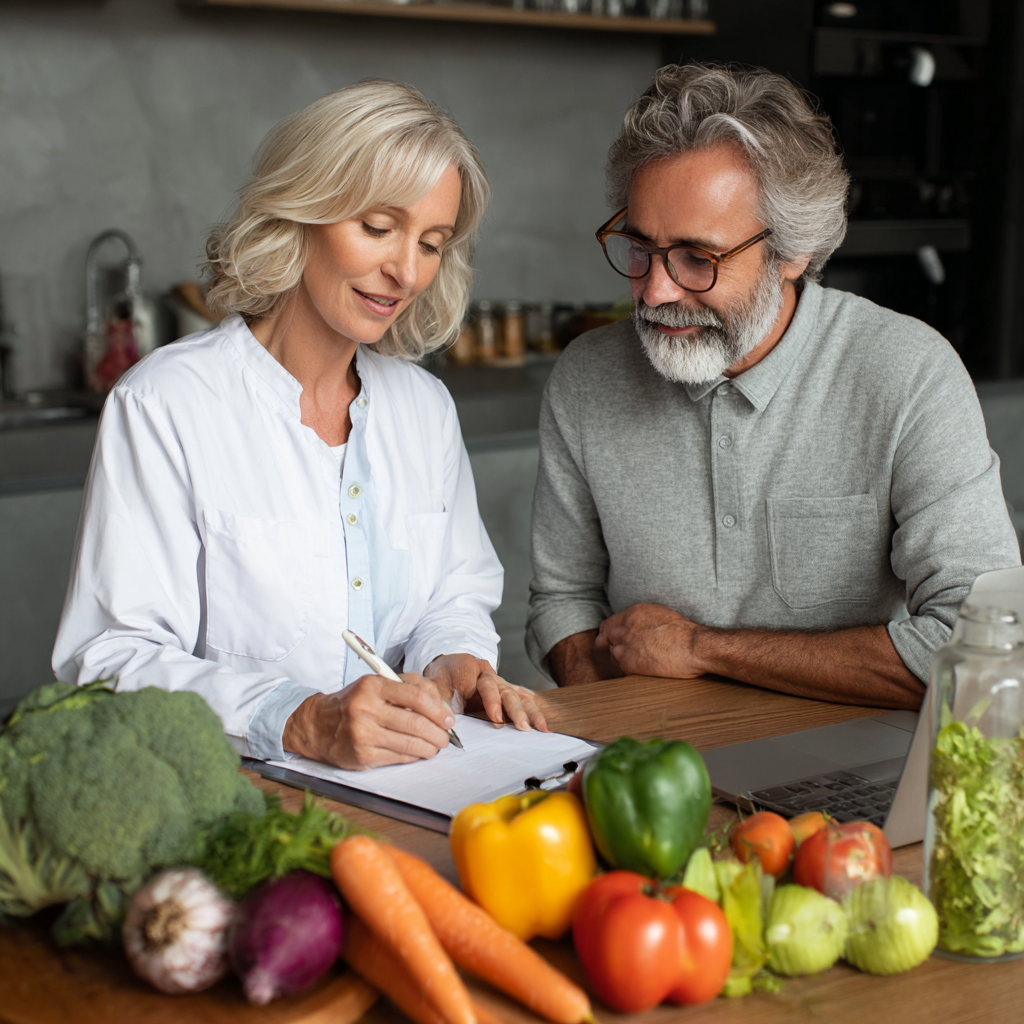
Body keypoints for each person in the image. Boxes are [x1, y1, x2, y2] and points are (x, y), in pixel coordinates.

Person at [53, 80, 547, 770]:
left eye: (431, 243)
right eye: (378, 228)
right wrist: (302, 721)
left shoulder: (424, 409)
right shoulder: (166, 404)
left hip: (418, 790)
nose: (406, 271)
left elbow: (455, 595)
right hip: (239, 799)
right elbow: (108, 657)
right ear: (302, 212)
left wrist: (455, 662)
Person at [526, 63, 1021, 709]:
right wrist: (621, 743)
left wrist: (702, 648)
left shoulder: (907, 373)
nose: (654, 290)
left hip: (852, 768)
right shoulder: (587, 377)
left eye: (698, 259)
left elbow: (983, 647)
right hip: (652, 768)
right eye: (640, 247)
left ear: (793, 252)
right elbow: (562, 603)